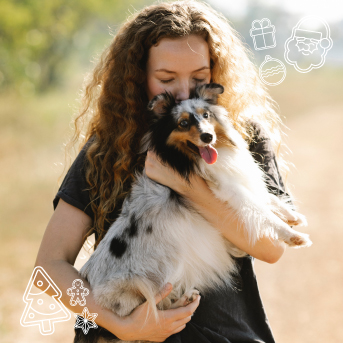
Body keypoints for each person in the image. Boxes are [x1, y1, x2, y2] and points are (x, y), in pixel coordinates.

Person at [35, 1, 292, 342]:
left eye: (200, 77)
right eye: (167, 79)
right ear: (139, 76)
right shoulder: (109, 146)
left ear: (215, 72)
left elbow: (271, 248)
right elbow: (48, 268)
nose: (185, 92)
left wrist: (185, 185)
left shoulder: (239, 137)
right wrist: (118, 323)